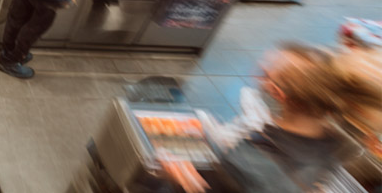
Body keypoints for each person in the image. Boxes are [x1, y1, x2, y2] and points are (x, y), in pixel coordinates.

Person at [162, 43, 382, 193]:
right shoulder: (346, 145)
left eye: (266, 73)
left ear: (278, 93)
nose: (258, 74)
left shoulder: (252, 156)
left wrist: (181, 181)